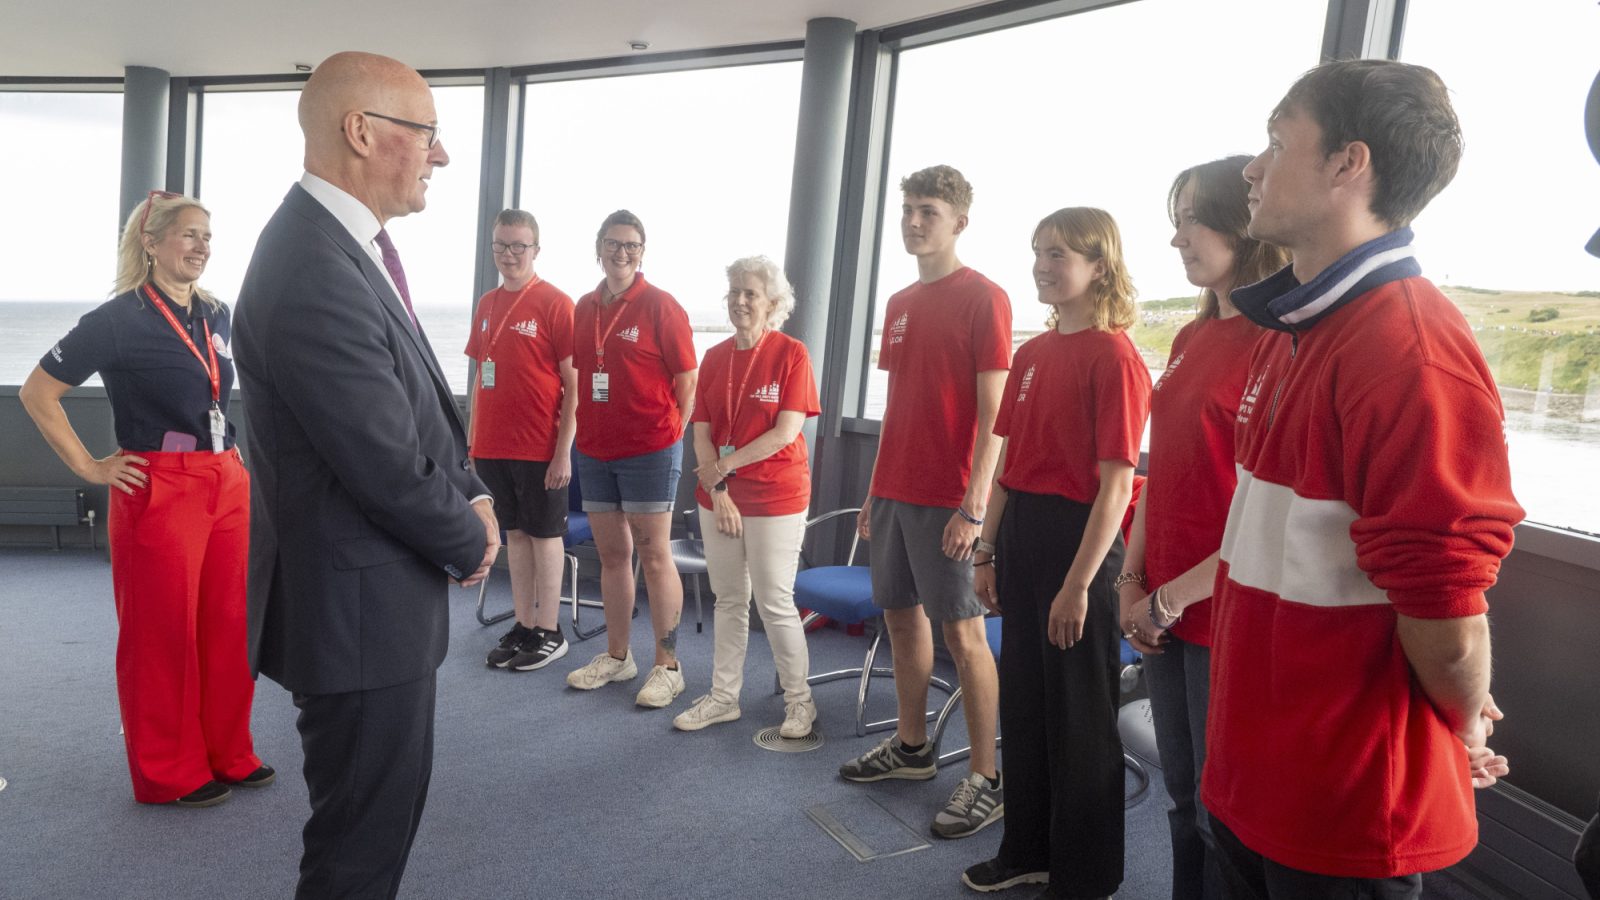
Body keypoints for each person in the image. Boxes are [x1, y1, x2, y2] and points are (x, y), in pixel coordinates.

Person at [1201, 59, 1522, 898]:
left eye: (1277, 142)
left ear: (1349, 164)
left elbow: (1447, 608)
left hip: (1343, 805)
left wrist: (1462, 716)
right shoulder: (1294, 328)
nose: (1252, 167)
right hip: (1256, 770)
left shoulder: (1410, 348)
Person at [233, 51, 498, 899]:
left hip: (365, 605)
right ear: (361, 132)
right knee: (357, 854)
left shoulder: (342, 250)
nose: (442, 156)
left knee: (371, 836)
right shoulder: (312, 268)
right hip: (356, 619)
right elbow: (382, 463)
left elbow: (411, 403)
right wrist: (471, 538)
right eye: (427, 134)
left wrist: (475, 492)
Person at [18, 191, 269, 809]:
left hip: (225, 478)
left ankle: (226, 751)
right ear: (150, 243)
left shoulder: (216, 313)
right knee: (161, 634)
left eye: (207, 236)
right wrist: (88, 465)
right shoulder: (115, 319)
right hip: (160, 483)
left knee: (228, 626)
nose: (201, 246)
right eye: (188, 234)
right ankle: (168, 770)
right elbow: (36, 392)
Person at [1112, 156, 1290, 900]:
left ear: (1241, 223)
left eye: (1193, 217)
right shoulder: (1188, 342)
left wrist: (1171, 597)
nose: (1178, 236)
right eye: (1174, 218)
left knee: (1226, 812)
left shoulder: (1275, 344)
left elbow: (1267, 513)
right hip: (1165, 604)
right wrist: (1132, 579)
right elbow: (1164, 474)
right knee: (1185, 798)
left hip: (1224, 610)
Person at [961, 207, 1150, 898]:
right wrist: (985, 552)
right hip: (1023, 539)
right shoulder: (1034, 355)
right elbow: (1009, 466)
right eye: (1038, 251)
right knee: (1028, 708)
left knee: (1081, 719)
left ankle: (1085, 875)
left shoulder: (1116, 357)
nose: (1042, 264)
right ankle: (1027, 850)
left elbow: (1116, 488)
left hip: (1081, 543)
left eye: (1059, 254)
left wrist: (1079, 586)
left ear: (1099, 264)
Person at [838, 164, 1011, 841]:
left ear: (959, 222)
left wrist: (974, 508)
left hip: (949, 499)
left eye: (928, 211)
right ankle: (912, 749)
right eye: (907, 209)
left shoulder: (984, 298)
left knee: (964, 636)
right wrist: (873, 490)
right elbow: (898, 406)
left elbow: (995, 411)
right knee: (900, 621)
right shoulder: (901, 303)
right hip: (894, 493)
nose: (913, 221)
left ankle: (985, 778)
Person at [672, 256, 821, 738]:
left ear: (772, 303)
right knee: (729, 598)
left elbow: (786, 432)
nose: (739, 300)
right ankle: (723, 697)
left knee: (774, 601)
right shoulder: (715, 358)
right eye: (734, 291)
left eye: (750, 293)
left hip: (776, 495)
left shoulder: (792, 353)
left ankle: (800, 703)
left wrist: (725, 468)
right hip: (719, 494)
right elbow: (701, 431)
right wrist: (718, 488)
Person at [564, 210, 699, 708]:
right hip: (596, 450)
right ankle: (618, 657)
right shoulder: (583, 308)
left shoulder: (662, 306)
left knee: (656, 556)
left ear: (643, 252)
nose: (623, 253)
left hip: (649, 451)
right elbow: (585, 374)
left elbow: (688, 382)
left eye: (633, 245)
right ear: (598, 246)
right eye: (614, 243)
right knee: (613, 557)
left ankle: (669, 666)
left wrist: (669, 437)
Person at [468, 208, 577, 672]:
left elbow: (574, 385)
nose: (508, 255)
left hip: (540, 445)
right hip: (492, 445)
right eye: (500, 246)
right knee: (515, 535)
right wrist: (471, 440)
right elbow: (479, 375)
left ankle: (550, 630)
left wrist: (563, 451)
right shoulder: (487, 303)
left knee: (545, 535)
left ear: (535, 250)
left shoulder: (555, 303)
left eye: (518, 246)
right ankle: (524, 622)